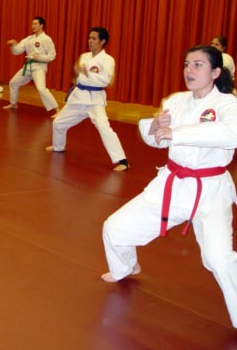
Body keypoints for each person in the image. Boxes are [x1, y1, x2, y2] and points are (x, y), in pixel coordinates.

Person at [101, 45, 237, 328]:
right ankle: (126, 266)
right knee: (114, 228)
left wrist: (177, 132)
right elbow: (157, 138)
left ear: (215, 72)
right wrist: (154, 128)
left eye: (198, 65)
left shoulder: (228, 105)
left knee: (218, 259)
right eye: (187, 64)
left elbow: (229, 134)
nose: (190, 70)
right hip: (172, 185)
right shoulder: (176, 100)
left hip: (210, 191)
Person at [45, 27, 129, 171]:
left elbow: (106, 81)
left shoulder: (108, 60)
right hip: (78, 97)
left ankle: (122, 161)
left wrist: (86, 73)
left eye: (94, 38)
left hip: (94, 100)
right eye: (89, 37)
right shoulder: (84, 56)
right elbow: (77, 78)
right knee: (59, 123)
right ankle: (58, 146)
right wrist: (79, 75)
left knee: (104, 127)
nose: (90, 41)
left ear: (102, 41)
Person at [3, 16, 60, 116]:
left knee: (41, 88)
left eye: (35, 24)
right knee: (13, 83)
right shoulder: (28, 39)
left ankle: (57, 110)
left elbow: (52, 56)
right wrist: (13, 45)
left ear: (41, 25)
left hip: (39, 67)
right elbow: (16, 52)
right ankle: (13, 103)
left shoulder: (46, 39)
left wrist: (39, 57)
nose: (33, 26)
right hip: (28, 66)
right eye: (32, 23)